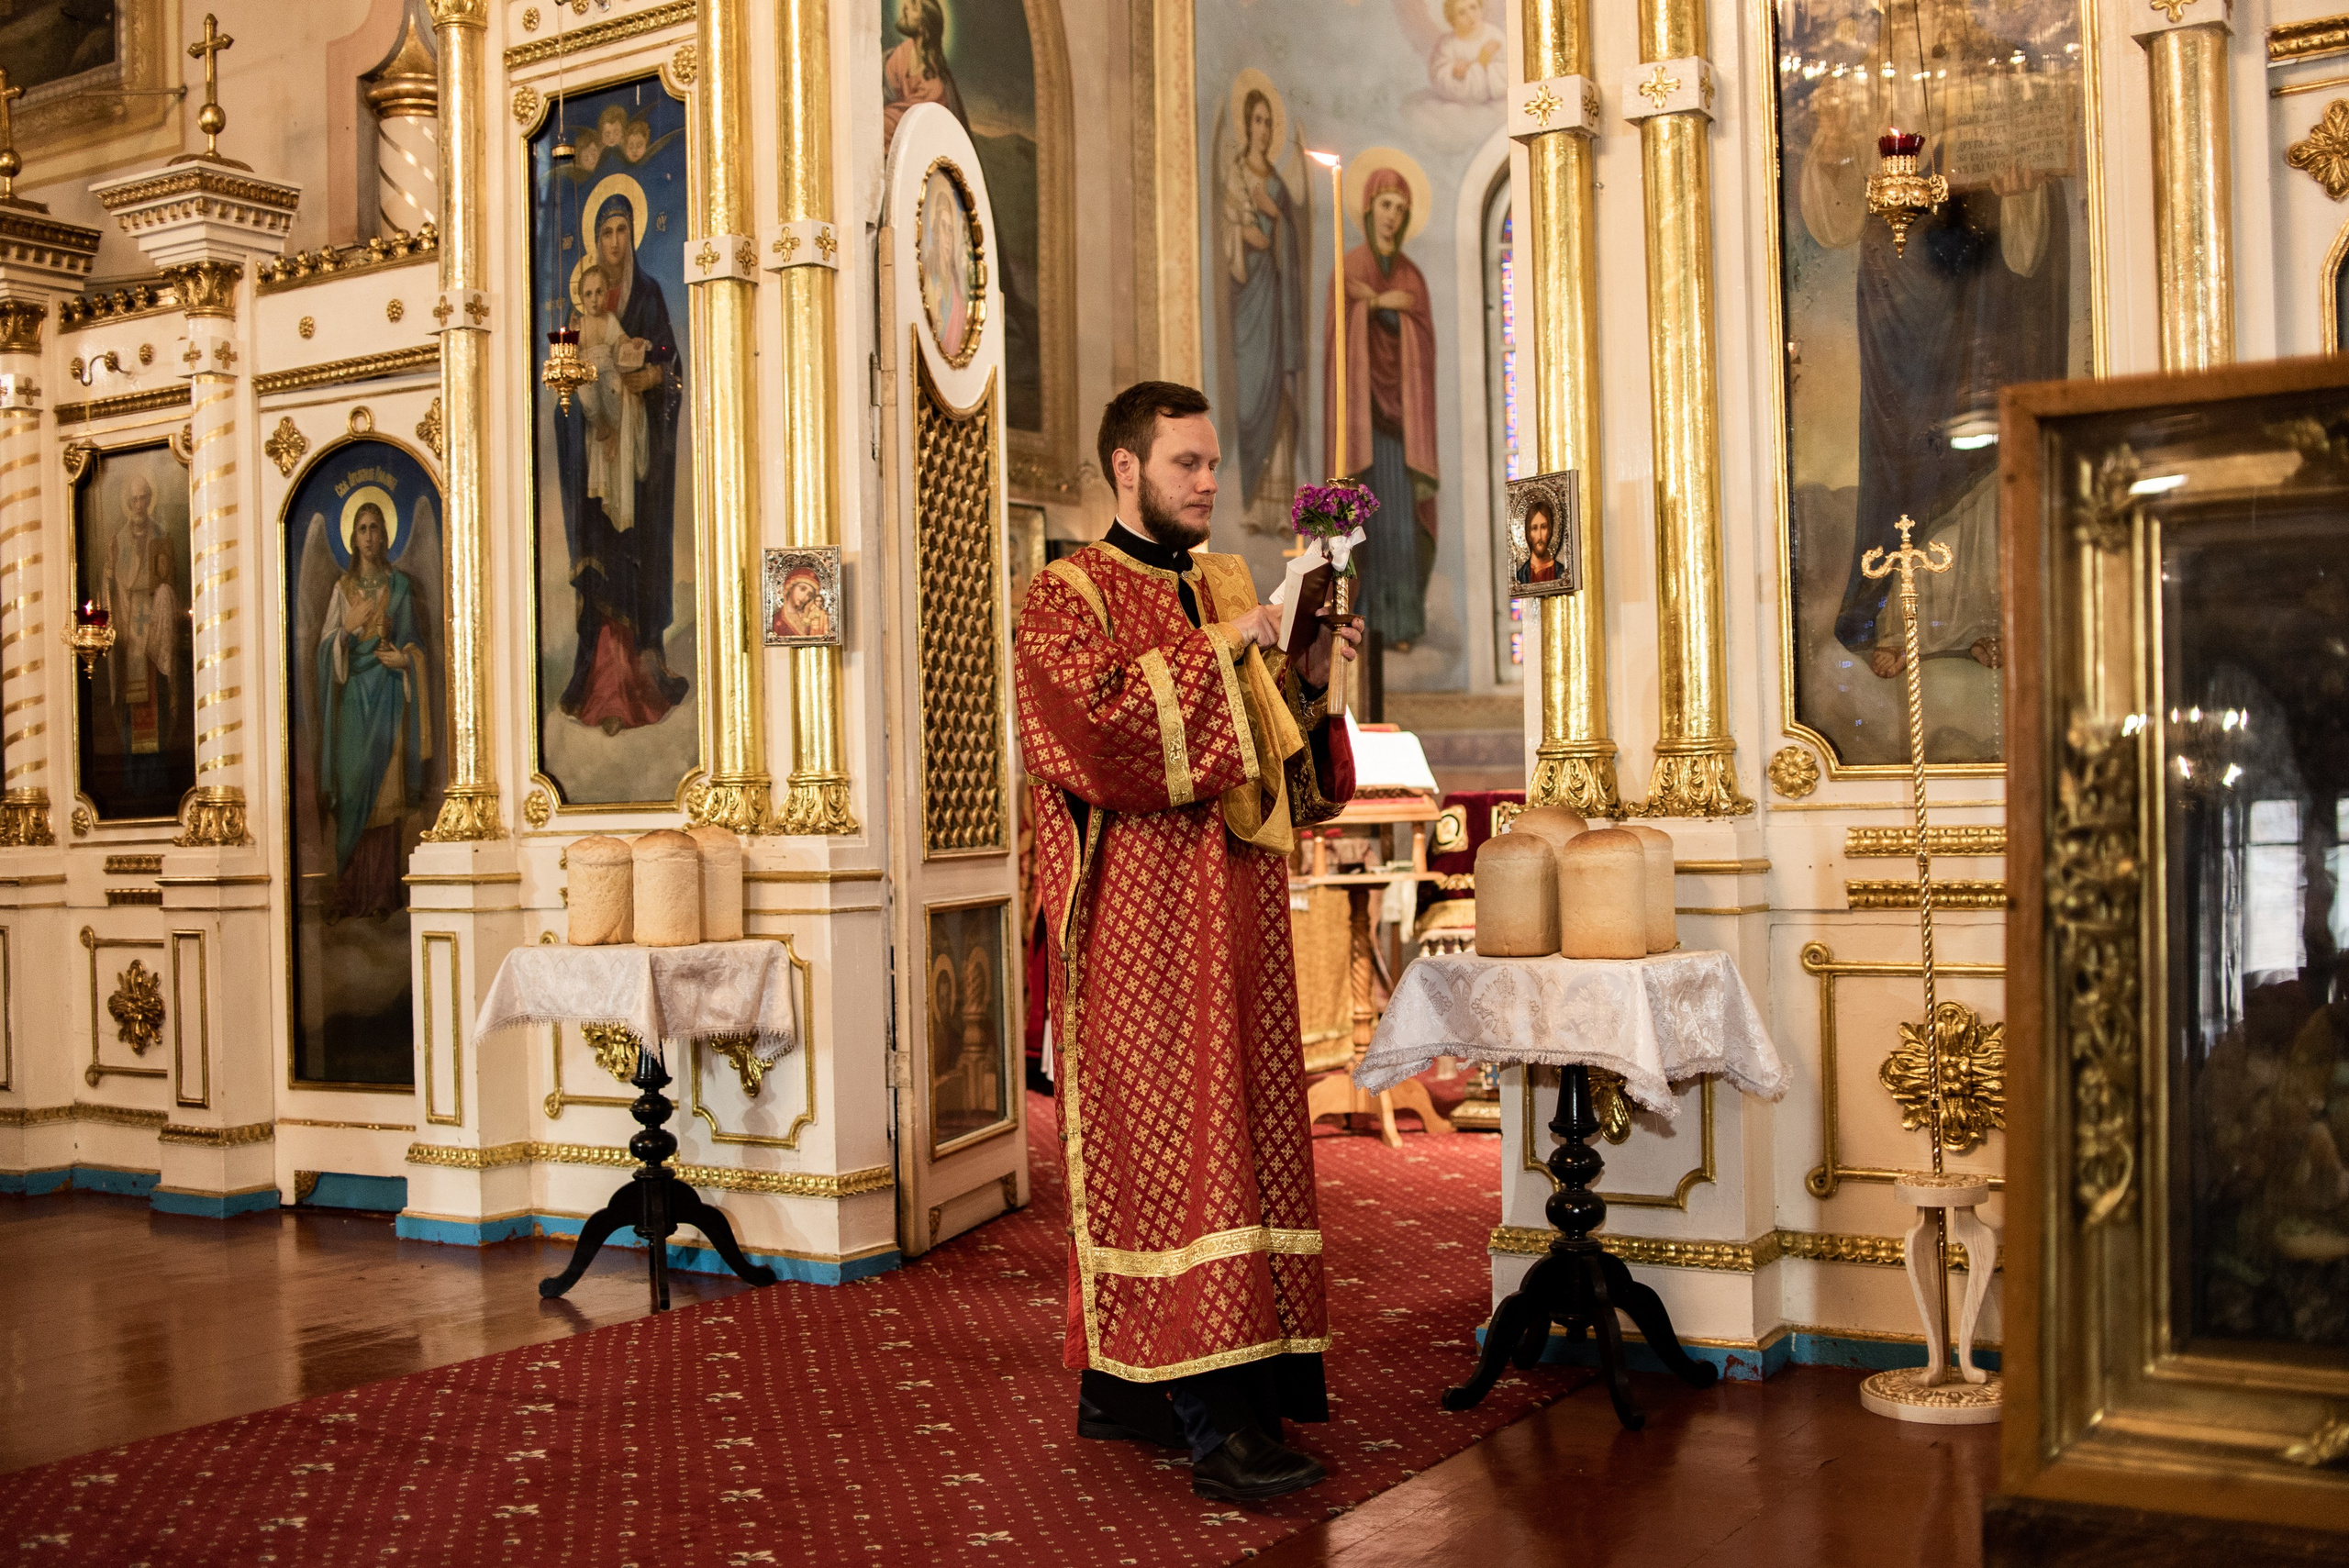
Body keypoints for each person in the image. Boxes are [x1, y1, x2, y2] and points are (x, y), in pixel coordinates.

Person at [1015, 381, 1362, 1503]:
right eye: (1187, 464)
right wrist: (1230, 647)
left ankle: (1133, 1393)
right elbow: (1100, 733)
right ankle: (1219, 1424)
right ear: (1126, 468)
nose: (1210, 481)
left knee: (1248, 1144)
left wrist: (1308, 676)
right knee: (1174, 1160)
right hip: (1140, 935)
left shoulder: (1223, 582)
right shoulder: (1063, 596)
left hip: (1241, 919)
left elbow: (1290, 777)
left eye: (1213, 462)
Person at [553, 191, 686, 736]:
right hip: (594, 459)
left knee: (638, 550)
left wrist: (652, 377)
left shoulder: (648, 294)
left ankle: (643, 668)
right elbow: (565, 388)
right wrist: (588, 414)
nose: (614, 241)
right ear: (595, 239)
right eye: (605, 232)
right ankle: (601, 680)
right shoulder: (578, 312)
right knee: (601, 558)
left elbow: (671, 365)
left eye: (622, 230)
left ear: (633, 235)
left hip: (640, 458)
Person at [1326, 165, 1439, 652]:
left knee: (1400, 523)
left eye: (1401, 209)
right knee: (1364, 521)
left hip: (1401, 425)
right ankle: (1363, 617)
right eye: (1386, 205)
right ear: (1369, 209)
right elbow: (1336, 344)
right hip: (1363, 422)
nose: (1392, 216)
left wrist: (1396, 309)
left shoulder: (1412, 277)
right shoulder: (1349, 269)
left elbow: (1423, 347)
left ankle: (1401, 622)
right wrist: (1370, 308)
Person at [315, 503, 430, 922]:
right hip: (353, 707)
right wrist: (346, 630)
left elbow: (416, 644)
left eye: (375, 528)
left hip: (387, 697)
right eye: (361, 528)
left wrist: (407, 662)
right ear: (352, 538)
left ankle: (382, 893)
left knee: (385, 798)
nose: (368, 536)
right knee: (351, 794)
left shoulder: (400, 587)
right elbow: (323, 652)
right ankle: (347, 894)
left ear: (385, 535)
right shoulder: (342, 588)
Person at [1221, 84, 1305, 535]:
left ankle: (1276, 510)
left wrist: (1274, 215)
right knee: (1250, 395)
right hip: (1246, 299)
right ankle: (1251, 506)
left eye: (1269, 122)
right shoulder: (1234, 176)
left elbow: (1289, 244)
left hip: (1273, 299)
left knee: (1276, 395)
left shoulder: (1278, 187)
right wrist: (1242, 234)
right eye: (1257, 120)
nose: (1264, 129)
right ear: (1246, 125)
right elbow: (1228, 233)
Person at [100, 470, 183, 774]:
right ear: (128, 502)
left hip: (156, 624)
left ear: (149, 500)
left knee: (155, 690)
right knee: (131, 698)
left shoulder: (161, 535)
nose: (138, 505)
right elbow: (110, 585)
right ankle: (134, 773)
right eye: (134, 499)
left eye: (143, 498)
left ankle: (158, 771)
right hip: (128, 622)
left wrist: (163, 596)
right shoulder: (117, 541)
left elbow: (170, 581)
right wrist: (109, 578)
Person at [573, 263, 650, 533]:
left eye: (599, 292)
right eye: (588, 294)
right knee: (586, 394)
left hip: (608, 371)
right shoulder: (580, 324)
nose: (594, 299)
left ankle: (613, 432)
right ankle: (602, 428)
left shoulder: (610, 321)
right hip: (587, 372)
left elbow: (622, 342)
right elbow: (571, 351)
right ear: (581, 298)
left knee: (616, 388)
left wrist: (633, 344)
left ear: (607, 294)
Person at [881, 0, 965, 148]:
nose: (905, 7)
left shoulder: (934, 85)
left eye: (914, 7)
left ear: (923, 27)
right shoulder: (899, 55)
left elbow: (911, 123)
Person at [1428, 0, 1506, 104]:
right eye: (1461, 12)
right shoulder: (1447, 43)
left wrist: (1484, 65)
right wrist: (1455, 74)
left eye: (1473, 7)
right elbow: (1437, 75)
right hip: (1459, 104)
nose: (1470, 15)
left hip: (1495, 102)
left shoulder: (1494, 35)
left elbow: (1509, 70)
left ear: (1481, 8)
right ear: (1452, 19)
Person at [769, 568, 830, 640]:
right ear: (790, 587)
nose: (805, 597)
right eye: (802, 589)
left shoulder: (812, 619)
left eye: (809, 595)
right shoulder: (776, 620)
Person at [1515, 498, 1563, 585]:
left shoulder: (1561, 573)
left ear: (1550, 531)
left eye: (1544, 527)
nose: (1539, 536)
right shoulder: (1520, 577)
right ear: (1528, 533)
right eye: (1534, 528)